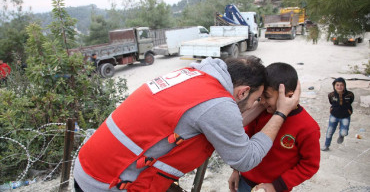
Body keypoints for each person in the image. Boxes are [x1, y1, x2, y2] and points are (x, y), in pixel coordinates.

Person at [73, 56, 300, 192]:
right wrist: (281, 112)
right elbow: (245, 159)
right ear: (242, 92)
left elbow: (224, 125)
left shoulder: (195, 75)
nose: (254, 106)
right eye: (254, 100)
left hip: (91, 166)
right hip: (107, 184)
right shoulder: (217, 104)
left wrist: (263, 105)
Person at [228, 62, 320, 192]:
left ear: (288, 95)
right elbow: (244, 143)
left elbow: (309, 165)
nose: (262, 102)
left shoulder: (307, 127)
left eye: (267, 96)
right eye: (260, 97)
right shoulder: (262, 113)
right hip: (245, 182)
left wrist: (277, 186)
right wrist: (236, 170)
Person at [321, 77, 354, 151]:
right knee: (330, 131)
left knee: (344, 132)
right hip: (334, 116)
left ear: (344, 85)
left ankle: (341, 135)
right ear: (334, 86)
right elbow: (331, 102)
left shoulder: (350, 95)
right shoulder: (331, 95)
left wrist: (348, 111)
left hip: (345, 116)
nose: (339, 87)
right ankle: (326, 145)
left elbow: (351, 101)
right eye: (337, 85)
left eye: (341, 85)